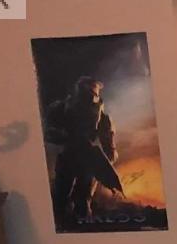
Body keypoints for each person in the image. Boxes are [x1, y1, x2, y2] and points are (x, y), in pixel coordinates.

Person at [43, 76, 122, 225]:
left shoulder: (102, 117)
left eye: (92, 94)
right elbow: (48, 133)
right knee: (60, 198)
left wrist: (103, 161)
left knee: (83, 202)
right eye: (85, 94)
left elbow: (110, 149)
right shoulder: (61, 108)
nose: (88, 99)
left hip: (88, 160)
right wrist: (66, 137)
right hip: (69, 156)